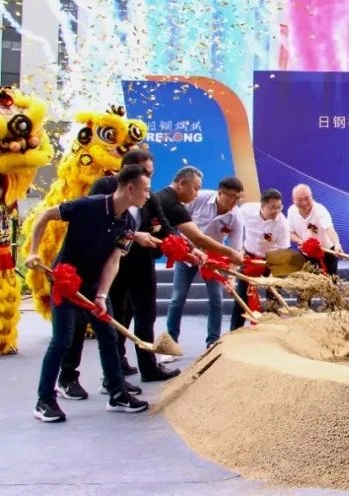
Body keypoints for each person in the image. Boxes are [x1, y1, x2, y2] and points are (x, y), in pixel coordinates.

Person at [27, 164, 153, 422]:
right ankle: (44, 401)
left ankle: (117, 394)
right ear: (130, 188)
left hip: (94, 285)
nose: (148, 196)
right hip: (65, 280)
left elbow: (114, 260)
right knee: (62, 340)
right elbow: (45, 216)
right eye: (146, 190)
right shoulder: (88, 206)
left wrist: (102, 295)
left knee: (108, 336)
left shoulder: (128, 223)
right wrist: (33, 251)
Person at [165, 177, 245, 350]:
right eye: (231, 196)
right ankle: (170, 343)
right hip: (188, 252)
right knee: (177, 297)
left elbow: (234, 250)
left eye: (238, 198)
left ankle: (212, 342)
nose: (234, 201)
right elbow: (178, 222)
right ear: (220, 193)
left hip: (212, 259)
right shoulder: (199, 198)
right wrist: (187, 248)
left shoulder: (236, 217)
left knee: (216, 299)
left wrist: (231, 278)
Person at [232, 189, 290, 329]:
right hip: (250, 258)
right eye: (272, 207)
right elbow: (235, 226)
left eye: (279, 207)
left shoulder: (282, 223)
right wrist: (240, 249)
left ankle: (272, 330)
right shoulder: (246, 211)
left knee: (274, 297)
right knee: (241, 296)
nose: (276, 211)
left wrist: (274, 273)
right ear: (262, 206)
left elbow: (283, 251)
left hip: (272, 261)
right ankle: (235, 331)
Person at [287, 184, 344, 276]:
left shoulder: (320, 210)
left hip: (326, 253)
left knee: (330, 282)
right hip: (306, 255)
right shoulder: (291, 211)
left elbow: (329, 229)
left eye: (307, 198)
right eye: (300, 200)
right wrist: (300, 241)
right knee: (308, 282)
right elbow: (290, 233)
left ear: (311, 196)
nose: (304, 203)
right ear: (294, 200)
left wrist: (337, 244)